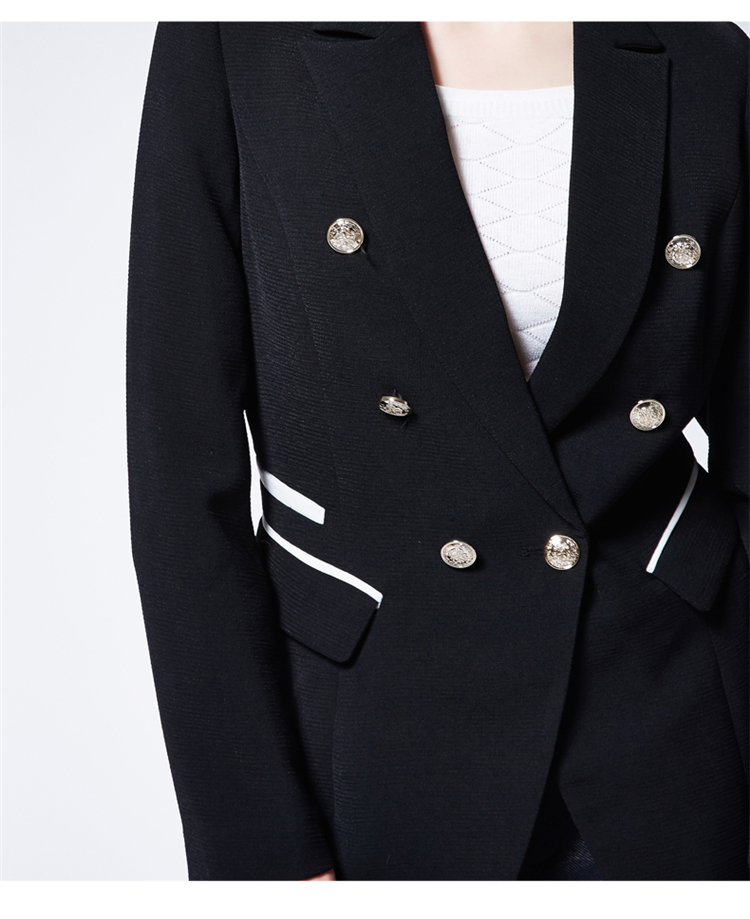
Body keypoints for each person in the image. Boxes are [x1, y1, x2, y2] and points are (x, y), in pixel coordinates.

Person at [126, 21, 749, 880]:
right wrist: (257, 841)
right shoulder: (238, 42)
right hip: (375, 741)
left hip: (671, 735)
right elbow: (180, 474)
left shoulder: (708, 58)